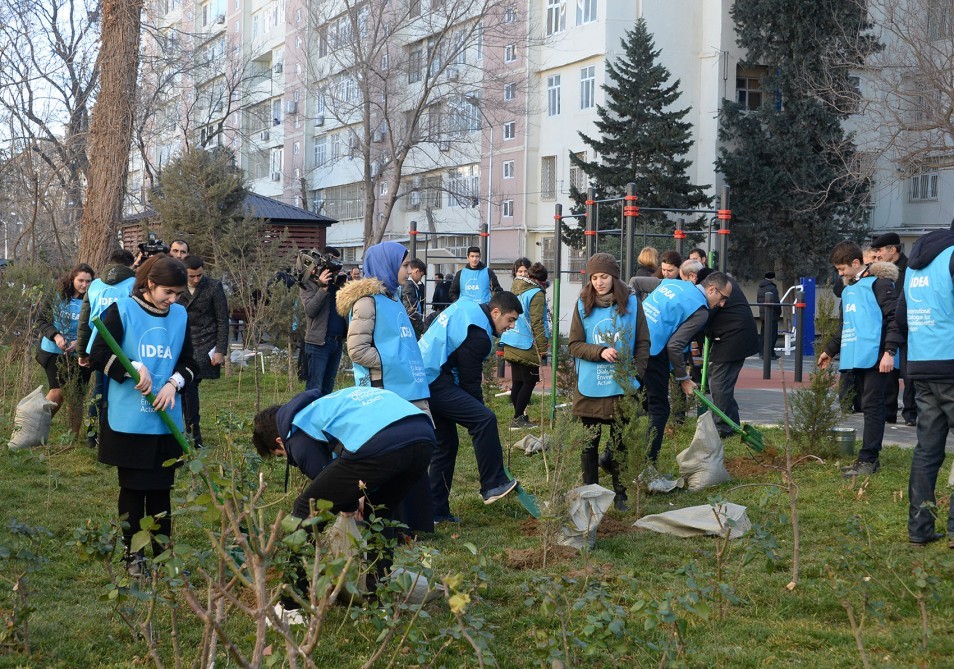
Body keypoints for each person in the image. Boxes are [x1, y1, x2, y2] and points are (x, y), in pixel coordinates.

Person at [252, 387, 436, 589]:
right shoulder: (324, 406)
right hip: (423, 433)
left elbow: (328, 485)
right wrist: (361, 495)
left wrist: (349, 504)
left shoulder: (296, 433)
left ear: (279, 441)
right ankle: (379, 595)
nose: (288, 458)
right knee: (378, 513)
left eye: (281, 455)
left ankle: (292, 599)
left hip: (380, 442)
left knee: (306, 507)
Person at [89, 255, 197, 575]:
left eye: (178, 294)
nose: (173, 300)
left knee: (162, 492)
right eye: (168, 292)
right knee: (134, 493)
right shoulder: (121, 310)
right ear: (150, 284)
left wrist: (175, 384)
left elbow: (191, 363)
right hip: (129, 423)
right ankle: (132, 557)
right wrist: (132, 367)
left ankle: (163, 555)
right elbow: (98, 354)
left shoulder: (179, 316)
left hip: (165, 422)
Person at [336, 241, 433, 534]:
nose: (408, 270)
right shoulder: (367, 302)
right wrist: (391, 364)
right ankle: (390, 523)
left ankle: (414, 522)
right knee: (401, 456)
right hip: (387, 391)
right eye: (404, 265)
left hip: (407, 388)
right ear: (387, 265)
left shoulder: (391, 299)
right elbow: (357, 349)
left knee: (419, 451)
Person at [419, 291, 522, 522]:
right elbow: (469, 382)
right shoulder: (478, 333)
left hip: (423, 375)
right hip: (433, 380)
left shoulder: (469, 307)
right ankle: (492, 485)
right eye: (510, 320)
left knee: (446, 445)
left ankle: (436, 512)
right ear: (496, 313)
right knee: (484, 419)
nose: (511, 326)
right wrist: (478, 414)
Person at [883, 225, 954, 547]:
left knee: (927, 451)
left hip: (922, 368)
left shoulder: (913, 267)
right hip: (951, 363)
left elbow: (902, 315)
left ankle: (920, 530)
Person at [569, 253, 650, 511]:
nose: (599, 282)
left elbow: (643, 342)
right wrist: (600, 350)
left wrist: (636, 375)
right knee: (589, 444)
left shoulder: (633, 303)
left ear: (614, 277)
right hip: (590, 387)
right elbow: (574, 345)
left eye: (604, 277)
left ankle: (620, 494)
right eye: (594, 278)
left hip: (621, 387)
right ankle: (590, 494)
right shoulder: (583, 303)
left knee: (620, 443)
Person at [818, 241, 897, 478]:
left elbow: (894, 318)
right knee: (866, 406)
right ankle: (868, 458)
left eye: (842, 269)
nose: (840, 274)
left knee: (873, 407)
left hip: (876, 357)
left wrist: (889, 352)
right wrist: (829, 350)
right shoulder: (850, 289)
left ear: (855, 263)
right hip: (857, 356)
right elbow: (845, 325)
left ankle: (869, 460)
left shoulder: (880, 284)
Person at [642, 271, 731, 470]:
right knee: (660, 410)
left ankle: (610, 457)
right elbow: (674, 346)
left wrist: (678, 372)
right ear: (711, 289)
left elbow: (636, 283)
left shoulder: (675, 284)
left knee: (629, 403)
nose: (722, 304)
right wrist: (683, 379)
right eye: (723, 298)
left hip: (631, 342)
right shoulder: (700, 311)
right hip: (651, 351)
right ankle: (647, 467)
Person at [78, 249, 136, 448]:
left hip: (98, 346)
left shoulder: (94, 285)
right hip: (125, 346)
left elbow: (84, 320)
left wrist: (82, 351)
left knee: (99, 390)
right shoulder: (134, 284)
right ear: (130, 265)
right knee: (124, 391)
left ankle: (92, 435)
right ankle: (119, 434)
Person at [696, 267, 760, 438]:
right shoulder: (720, 283)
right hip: (735, 336)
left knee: (719, 383)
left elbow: (703, 316)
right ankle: (731, 422)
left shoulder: (717, 290)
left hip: (735, 338)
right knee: (717, 381)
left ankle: (724, 428)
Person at [178, 255, 229, 448]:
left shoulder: (213, 287)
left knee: (189, 385)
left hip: (203, 343)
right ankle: (186, 430)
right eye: (192, 276)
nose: (196, 279)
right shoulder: (175, 286)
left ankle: (194, 432)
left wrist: (220, 350)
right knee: (181, 388)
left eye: (199, 275)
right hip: (180, 341)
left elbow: (223, 319)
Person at [36, 263, 95, 421]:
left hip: (80, 352)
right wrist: (56, 336)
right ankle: (36, 427)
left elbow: (96, 327)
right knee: (58, 392)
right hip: (53, 350)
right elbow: (41, 320)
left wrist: (79, 342)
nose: (84, 285)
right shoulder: (57, 294)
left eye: (88, 281)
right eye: (80, 280)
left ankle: (73, 438)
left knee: (77, 395)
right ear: (72, 279)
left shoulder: (94, 299)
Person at [871, 232, 916, 427]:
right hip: (889, 325)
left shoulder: (911, 268)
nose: (877, 255)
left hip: (908, 327)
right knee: (887, 371)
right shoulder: (881, 272)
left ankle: (910, 413)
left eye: (880, 250)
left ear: (893, 250)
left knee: (908, 372)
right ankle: (889, 412)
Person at [501, 261, 550, 429]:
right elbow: (537, 321)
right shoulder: (537, 293)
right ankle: (518, 418)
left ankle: (519, 416)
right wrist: (543, 346)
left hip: (510, 338)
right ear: (542, 281)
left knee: (518, 382)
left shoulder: (517, 288)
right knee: (530, 381)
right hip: (525, 342)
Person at [299, 246, 345, 395]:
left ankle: (324, 418)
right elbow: (310, 310)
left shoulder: (337, 282)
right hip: (318, 343)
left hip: (337, 343)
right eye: (332, 262)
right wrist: (323, 288)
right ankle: (310, 417)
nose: (334, 267)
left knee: (327, 389)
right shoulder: (308, 283)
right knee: (314, 388)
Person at [401, 258, 427, 338]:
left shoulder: (412, 285)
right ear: (416, 271)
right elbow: (410, 310)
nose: (420, 278)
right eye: (421, 275)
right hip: (411, 328)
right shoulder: (409, 286)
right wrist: (422, 328)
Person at [756, 272, 780, 359]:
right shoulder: (772, 288)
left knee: (763, 334)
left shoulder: (760, 288)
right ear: (773, 278)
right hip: (772, 315)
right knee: (772, 335)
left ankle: (762, 353)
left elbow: (758, 301)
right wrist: (779, 312)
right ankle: (769, 354)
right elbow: (776, 303)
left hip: (763, 315)